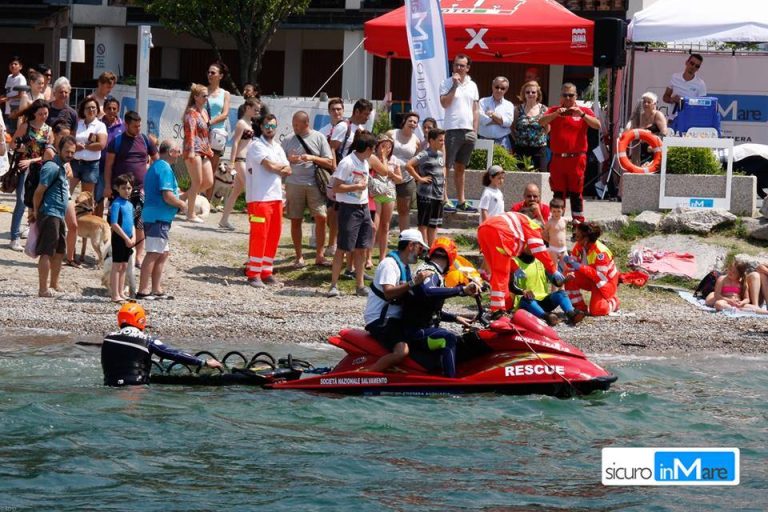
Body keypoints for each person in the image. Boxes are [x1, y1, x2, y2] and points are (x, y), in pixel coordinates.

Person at [401, 238, 480, 377]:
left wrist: (455, 318)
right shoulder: (429, 271)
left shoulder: (434, 272)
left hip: (421, 330)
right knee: (448, 338)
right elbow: (428, 291)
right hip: (415, 334)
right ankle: (451, 383)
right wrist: (461, 290)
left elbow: (428, 309)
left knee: (457, 338)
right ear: (451, 257)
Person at [101, 302, 222, 386]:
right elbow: (174, 354)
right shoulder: (147, 339)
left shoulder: (108, 338)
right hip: (136, 388)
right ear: (141, 320)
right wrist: (204, 362)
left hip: (109, 385)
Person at [363, 229, 433, 373]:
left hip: (395, 318)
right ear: (411, 246)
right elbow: (389, 293)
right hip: (381, 320)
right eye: (420, 248)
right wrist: (414, 282)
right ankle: (367, 373)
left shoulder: (405, 267)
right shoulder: (389, 264)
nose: (421, 253)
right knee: (402, 352)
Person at [477, 210, 564, 313]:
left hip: (483, 229)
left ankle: (501, 307)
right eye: (546, 241)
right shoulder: (534, 228)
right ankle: (498, 311)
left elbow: (507, 257)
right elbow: (538, 249)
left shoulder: (520, 224)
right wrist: (553, 270)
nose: (545, 243)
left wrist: (516, 268)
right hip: (500, 233)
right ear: (543, 231)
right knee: (501, 275)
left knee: (497, 273)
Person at [538, 83, 600, 225]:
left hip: (577, 159)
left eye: (571, 95)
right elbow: (541, 121)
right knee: (558, 193)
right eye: (565, 95)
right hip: (558, 159)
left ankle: (577, 225)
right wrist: (556, 114)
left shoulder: (583, 111)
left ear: (576, 96)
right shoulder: (554, 110)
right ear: (560, 97)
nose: (568, 98)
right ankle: (557, 224)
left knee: (576, 193)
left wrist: (582, 115)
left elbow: (597, 125)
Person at [104, 110, 158, 267]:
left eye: (139, 126)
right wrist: (107, 186)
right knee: (117, 221)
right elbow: (108, 166)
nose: (138, 129)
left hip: (140, 190)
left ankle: (139, 256)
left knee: (140, 223)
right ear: (126, 125)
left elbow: (157, 160)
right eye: (135, 126)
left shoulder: (145, 140)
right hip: (119, 191)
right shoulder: (116, 142)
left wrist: (152, 182)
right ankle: (115, 252)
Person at [327, 130, 376, 298]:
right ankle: (333, 285)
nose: (373, 152)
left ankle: (360, 285)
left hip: (363, 208)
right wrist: (355, 187)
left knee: (362, 248)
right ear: (368, 148)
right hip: (348, 208)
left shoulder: (365, 162)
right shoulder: (347, 163)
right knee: (343, 247)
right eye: (373, 149)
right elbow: (336, 187)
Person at [282, 110, 335, 267]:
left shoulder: (318, 137)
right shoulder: (287, 139)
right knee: (295, 219)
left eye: (297, 125)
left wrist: (312, 157)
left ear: (307, 123)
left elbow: (330, 162)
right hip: (293, 184)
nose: (294, 127)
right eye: (293, 124)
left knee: (321, 217)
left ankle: (320, 255)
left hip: (315, 184)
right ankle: (299, 256)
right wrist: (288, 159)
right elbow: (278, 159)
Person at [245, 113, 290, 288]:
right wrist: (279, 168)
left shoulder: (277, 147)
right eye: (267, 126)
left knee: (274, 235)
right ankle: (253, 273)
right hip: (259, 199)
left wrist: (277, 168)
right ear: (261, 127)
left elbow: (288, 169)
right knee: (259, 235)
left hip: (276, 197)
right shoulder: (256, 146)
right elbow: (270, 166)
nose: (270, 129)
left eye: (273, 126)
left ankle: (266, 271)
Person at [138, 140, 188, 300]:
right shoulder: (164, 168)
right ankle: (143, 289)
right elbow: (167, 196)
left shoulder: (157, 166)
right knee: (153, 253)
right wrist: (182, 205)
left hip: (158, 216)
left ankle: (156, 288)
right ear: (171, 152)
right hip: (157, 217)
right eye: (178, 151)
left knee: (163, 253)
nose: (179, 154)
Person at [30, 135, 75, 297]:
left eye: (72, 152)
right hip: (49, 213)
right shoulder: (52, 167)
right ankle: (43, 289)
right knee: (47, 251)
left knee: (59, 251)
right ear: (59, 149)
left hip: (58, 214)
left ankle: (54, 283)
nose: (70, 155)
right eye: (67, 151)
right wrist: (36, 211)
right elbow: (39, 192)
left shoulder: (63, 167)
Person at [9, 99, 52, 252]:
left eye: (45, 113)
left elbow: (49, 154)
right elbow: (12, 144)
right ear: (34, 113)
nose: (43, 116)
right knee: (21, 202)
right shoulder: (25, 126)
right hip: (24, 170)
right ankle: (14, 237)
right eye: (40, 113)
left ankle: (34, 235)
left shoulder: (49, 130)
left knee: (37, 203)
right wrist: (20, 147)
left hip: (40, 169)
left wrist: (31, 160)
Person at [439, 53, 479, 212]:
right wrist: (454, 86)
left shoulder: (473, 85)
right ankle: (444, 199)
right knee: (446, 166)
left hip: (469, 130)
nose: (458, 68)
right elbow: (444, 103)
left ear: (468, 68)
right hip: (452, 129)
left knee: (461, 166)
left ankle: (461, 201)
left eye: (462, 65)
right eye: (456, 65)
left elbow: (475, 109)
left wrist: (475, 130)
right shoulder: (446, 83)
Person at [509, 247, 585, 326]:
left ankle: (572, 314)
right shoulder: (514, 262)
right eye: (528, 244)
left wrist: (565, 280)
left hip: (543, 301)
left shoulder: (540, 262)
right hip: (526, 303)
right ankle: (547, 317)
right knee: (527, 299)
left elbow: (556, 283)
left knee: (561, 293)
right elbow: (511, 286)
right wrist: (523, 291)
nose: (531, 246)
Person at [219, 97, 262, 230]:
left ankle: (223, 220)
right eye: (255, 110)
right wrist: (231, 162)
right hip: (240, 160)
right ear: (248, 108)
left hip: (246, 160)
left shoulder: (249, 124)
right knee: (252, 189)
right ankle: (255, 222)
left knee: (236, 192)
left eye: (258, 110)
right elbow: (235, 142)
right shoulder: (241, 123)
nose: (257, 112)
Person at [563, 222, 620, 316]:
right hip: (591, 279)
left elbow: (601, 277)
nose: (574, 238)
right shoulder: (579, 246)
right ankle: (580, 308)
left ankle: (614, 301)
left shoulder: (601, 253)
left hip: (606, 283)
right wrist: (567, 269)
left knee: (597, 311)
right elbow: (572, 265)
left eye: (577, 236)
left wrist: (580, 267)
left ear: (586, 239)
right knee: (570, 278)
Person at [405, 128, 446, 247]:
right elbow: (408, 165)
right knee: (424, 224)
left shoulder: (440, 154)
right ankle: (423, 247)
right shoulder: (424, 154)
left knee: (433, 224)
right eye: (440, 140)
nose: (442, 143)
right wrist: (419, 178)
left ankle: (431, 248)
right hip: (426, 194)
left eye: (443, 140)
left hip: (437, 194)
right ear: (431, 140)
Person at [318, 97, 347, 257]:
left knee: (340, 210)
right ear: (329, 111)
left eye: (339, 109)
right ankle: (330, 242)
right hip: (328, 174)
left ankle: (335, 243)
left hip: (346, 174)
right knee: (329, 211)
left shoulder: (348, 128)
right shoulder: (323, 131)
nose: (336, 112)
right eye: (333, 109)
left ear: (343, 111)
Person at [182, 83, 214, 223]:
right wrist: (191, 152)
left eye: (207, 95)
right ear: (196, 97)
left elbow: (205, 133)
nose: (207, 98)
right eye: (204, 95)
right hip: (193, 150)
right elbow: (190, 133)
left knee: (208, 182)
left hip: (204, 150)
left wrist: (209, 147)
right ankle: (190, 214)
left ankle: (182, 198)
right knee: (197, 181)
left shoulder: (205, 112)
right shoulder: (191, 112)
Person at [386, 111, 421, 232]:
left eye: (415, 122)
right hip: (388, 177)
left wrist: (417, 178)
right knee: (386, 208)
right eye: (410, 121)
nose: (412, 123)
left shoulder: (416, 141)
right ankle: (380, 237)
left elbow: (416, 161)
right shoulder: (392, 134)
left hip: (406, 178)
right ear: (404, 122)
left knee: (404, 210)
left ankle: (404, 237)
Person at [370, 134, 402, 262]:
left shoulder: (394, 160)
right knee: (374, 227)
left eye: (389, 147)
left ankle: (382, 256)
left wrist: (392, 173)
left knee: (385, 226)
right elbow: (382, 171)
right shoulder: (373, 159)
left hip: (389, 194)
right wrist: (383, 158)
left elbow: (399, 179)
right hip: (376, 195)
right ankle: (369, 257)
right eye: (383, 146)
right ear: (377, 146)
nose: (386, 150)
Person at [71, 96, 107, 195]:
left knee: (86, 198)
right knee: (66, 193)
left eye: (93, 107)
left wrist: (84, 147)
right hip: (74, 163)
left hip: (90, 166)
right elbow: (70, 140)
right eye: (88, 108)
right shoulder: (77, 124)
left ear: (97, 110)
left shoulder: (100, 126)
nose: (91, 110)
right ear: (83, 110)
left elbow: (101, 145)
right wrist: (75, 147)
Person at [109, 174, 136, 303]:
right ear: (117, 188)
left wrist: (133, 237)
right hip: (119, 238)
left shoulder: (130, 205)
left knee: (124, 266)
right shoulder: (116, 204)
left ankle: (121, 291)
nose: (127, 191)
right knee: (116, 266)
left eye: (129, 188)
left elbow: (132, 223)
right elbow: (114, 223)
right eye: (124, 188)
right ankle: (115, 294)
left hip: (129, 239)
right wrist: (125, 238)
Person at [205, 61, 232, 193]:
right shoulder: (203, 91)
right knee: (199, 167)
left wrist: (210, 122)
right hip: (202, 134)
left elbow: (225, 114)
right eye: (208, 72)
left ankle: (207, 201)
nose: (210, 75)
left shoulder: (225, 94)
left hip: (217, 134)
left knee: (212, 168)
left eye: (213, 72)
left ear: (220, 76)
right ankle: (196, 197)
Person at [96, 97, 124, 217]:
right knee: (99, 198)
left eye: (114, 108)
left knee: (115, 198)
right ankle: (97, 223)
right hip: (100, 166)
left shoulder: (123, 126)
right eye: (109, 108)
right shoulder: (97, 124)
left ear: (118, 110)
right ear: (105, 109)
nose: (112, 111)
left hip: (117, 168)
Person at [512, 80, 549, 172]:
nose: (530, 94)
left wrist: (541, 134)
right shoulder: (518, 109)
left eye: (533, 92)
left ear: (538, 94)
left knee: (541, 174)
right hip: (521, 148)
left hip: (539, 148)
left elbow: (548, 128)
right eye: (527, 92)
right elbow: (512, 127)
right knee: (519, 175)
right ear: (524, 94)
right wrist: (516, 139)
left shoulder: (544, 109)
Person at [663, 53, 706, 120]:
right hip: (672, 119)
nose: (693, 67)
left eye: (697, 66)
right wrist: (672, 99)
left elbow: (703, 106)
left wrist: (686, 101)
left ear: (698, 69)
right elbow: (665, 97)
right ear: (686, 62)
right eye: (692, 63)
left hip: (689, 120)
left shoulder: (701, 83)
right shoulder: (675, 77)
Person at [478, 76, 514, 150]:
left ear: (506, 90)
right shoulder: (482, 101)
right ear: (492, 86)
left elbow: (508, 123)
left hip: (502, 142)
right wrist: (499, 121)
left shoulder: (509, 105)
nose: (499, 90)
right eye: (497, 87)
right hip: (484, 140)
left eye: (502, 88)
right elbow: (481, 119)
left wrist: (492, 114)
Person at [1, 56, 27, 133]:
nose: (13, 66)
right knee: (7, 130)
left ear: (20, 67)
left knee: (14, 130)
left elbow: (21, 95)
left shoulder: (21, 78)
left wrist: (8, 98)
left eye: (15, 64)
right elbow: (8, 92)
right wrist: (3, 97)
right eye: (11, 64)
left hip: (17, 107)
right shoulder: (9, 77)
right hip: (8, 107)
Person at [543, 197, 567, 268]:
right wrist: (549, 240)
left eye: (558, 211)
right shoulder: (550, 222)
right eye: (554, 211)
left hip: (563, 247)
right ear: (550, 211)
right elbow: (543, 233)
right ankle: (554, 278)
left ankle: (566, 278)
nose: (556, 213)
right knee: (554, 266)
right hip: (553, 248)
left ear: (563, 210)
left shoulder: (564, 220)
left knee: (566, 266)